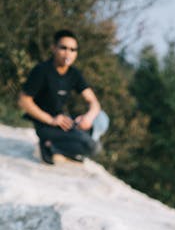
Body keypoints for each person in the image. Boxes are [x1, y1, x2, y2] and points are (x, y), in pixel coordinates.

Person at [19, 28, 109, 164]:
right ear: (54, 48)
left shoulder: (74, 74)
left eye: (73, 50)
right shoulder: (42, 70)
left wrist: (87, 118)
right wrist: (51, 120)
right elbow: (24, 101)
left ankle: (58, 148)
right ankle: (50, 147)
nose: (68, 53)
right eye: (64, 48)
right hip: (46, 125)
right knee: (93, 147)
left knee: (101, 117)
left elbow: (93, 102)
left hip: (63, 122)